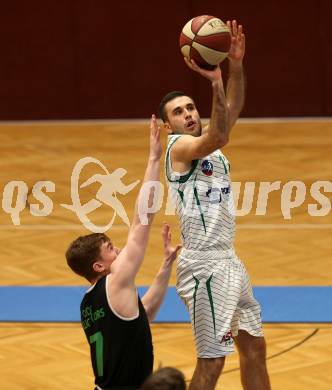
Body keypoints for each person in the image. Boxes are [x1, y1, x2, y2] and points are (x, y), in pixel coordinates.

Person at [159, 21, 271, 390]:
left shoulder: (210, 141)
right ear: (167, 125)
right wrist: (214, 81)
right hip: (204, 267)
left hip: (229, 260)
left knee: (254, 347)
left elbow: (232, 110)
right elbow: (220, 132)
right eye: (179, 112)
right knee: (212, 362)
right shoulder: (178, 149)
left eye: (191, 108)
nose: (189, 114)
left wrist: (235, 65)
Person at [66, 115, 181, 390]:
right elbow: (142, 221)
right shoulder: (115, 280)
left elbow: (145, 314)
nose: (118, 250)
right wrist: (155, 159)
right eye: (110, 249)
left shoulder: (89, 303)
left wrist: (166, 266)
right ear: (98, 266)